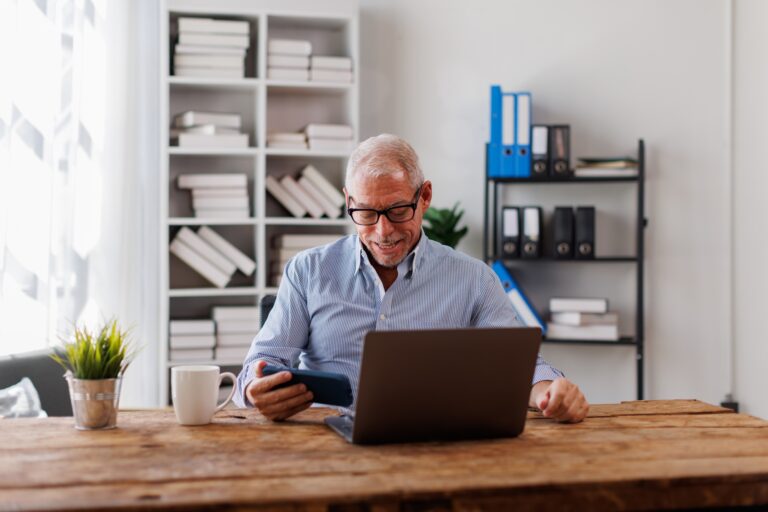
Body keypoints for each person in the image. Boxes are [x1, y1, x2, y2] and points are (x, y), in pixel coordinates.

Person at [234, 134, 589, 423]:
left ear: (425, 197)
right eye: (366, 214)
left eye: (397, 211)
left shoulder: (474, 279)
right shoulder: (308, 271)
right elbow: (260, 364)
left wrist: (549, 390)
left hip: (435, 444)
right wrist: (255, 389)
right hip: (327, 445)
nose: (383, 231)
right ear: (348, 202)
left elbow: (521, 365)